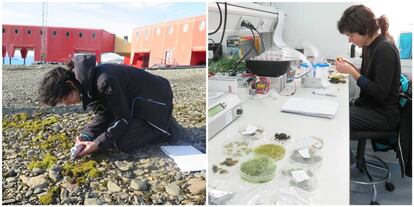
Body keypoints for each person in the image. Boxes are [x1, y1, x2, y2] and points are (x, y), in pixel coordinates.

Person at [38, 55, 184, 157]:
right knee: (110, 134)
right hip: (134, 104)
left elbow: (123, 118)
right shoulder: (86, 84)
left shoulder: (103, 82)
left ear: (70, 84)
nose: (67, 103)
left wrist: (97, 144)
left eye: (65, 98)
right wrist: (86, 135)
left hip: (157, 102)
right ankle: (159, 122)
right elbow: (104, 114)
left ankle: (166, 128)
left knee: (121, 142)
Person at [336, 5, 401, 162]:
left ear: (364, 29)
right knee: (337, 108)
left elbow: (379, 93)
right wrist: (352, 67)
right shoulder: (369, 46)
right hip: (371, 106)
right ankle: (347, 158)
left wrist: (353, 73)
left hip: (384, 114)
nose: (350, 40)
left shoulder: (384, 49)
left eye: (351, 35)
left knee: (338, 116)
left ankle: (342, 162)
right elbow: (369, 75)